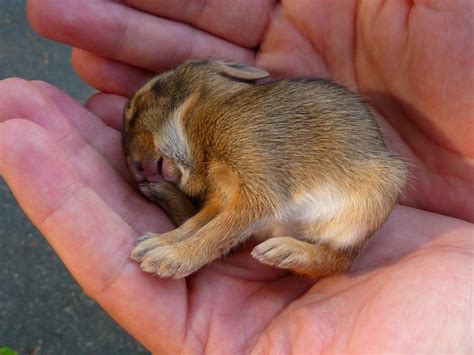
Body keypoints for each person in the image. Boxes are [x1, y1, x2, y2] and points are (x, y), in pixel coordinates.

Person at [0, 0, 472, 352]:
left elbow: (256, 201)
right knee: (220, 201)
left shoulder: (232, 119)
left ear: (213, 78)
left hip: (336, 188)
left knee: (377, 181)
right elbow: (233, 207)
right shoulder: (205, 159)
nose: (134, 129)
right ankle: (194, 216)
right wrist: (180, 218)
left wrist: (190, 251)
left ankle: (327, 258)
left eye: (144, 106)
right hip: (276, 204)